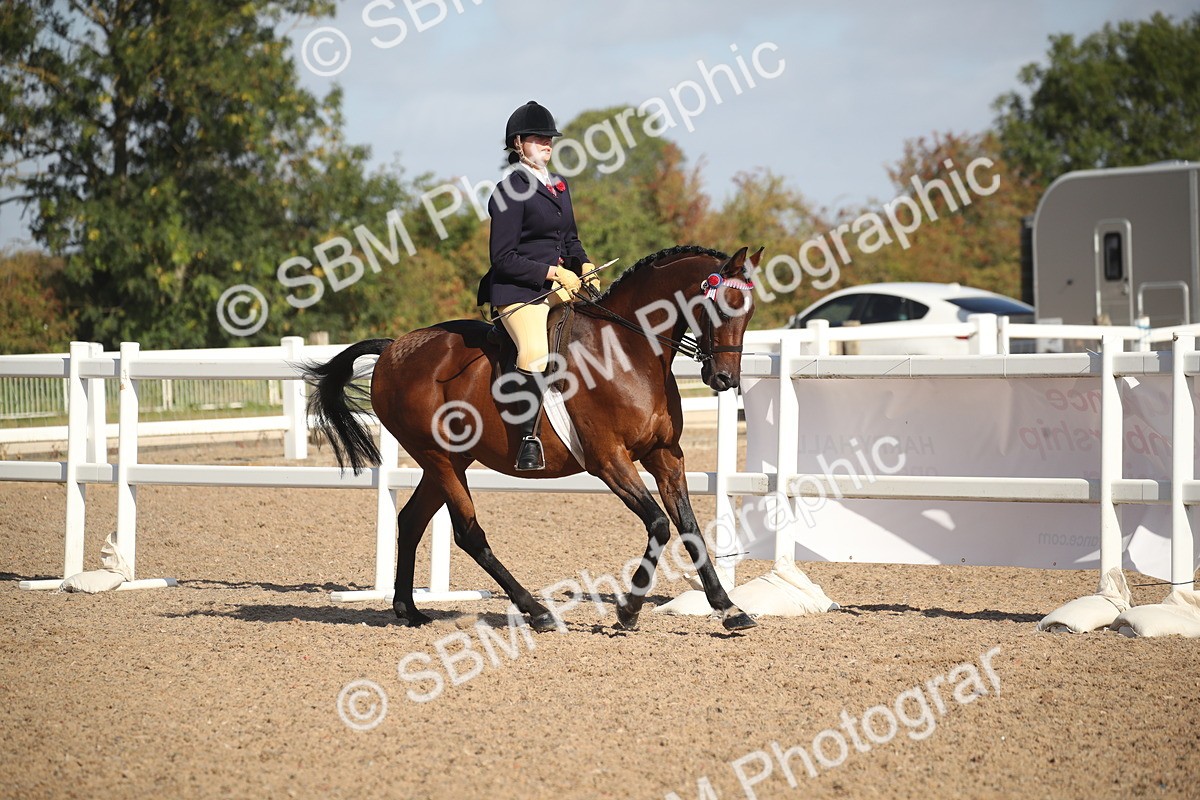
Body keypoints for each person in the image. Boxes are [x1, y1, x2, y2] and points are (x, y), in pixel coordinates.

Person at [476, 100, 600, 471]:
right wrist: (552, 272)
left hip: (560, 287)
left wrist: (585, 263)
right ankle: (528, 439)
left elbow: (571, 240)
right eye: (538, 138)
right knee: (534, 353)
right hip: (518, 293)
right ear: (518, 143)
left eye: (550, 138)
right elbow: (503, 258)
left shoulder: (559, 187)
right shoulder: (508, 190)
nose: (547, 144)